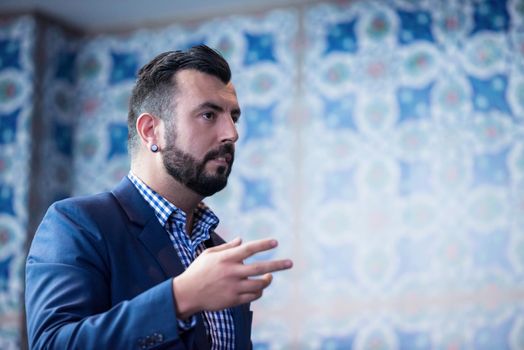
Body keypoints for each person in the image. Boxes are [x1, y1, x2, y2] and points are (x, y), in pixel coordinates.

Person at [25, 45, 293, 350]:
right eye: (209, 115)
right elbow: (51, 345)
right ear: (151, 131)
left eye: (233, 117)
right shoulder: (78, 224)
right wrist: (181, 297)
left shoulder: (218, 251)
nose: (231, 133)